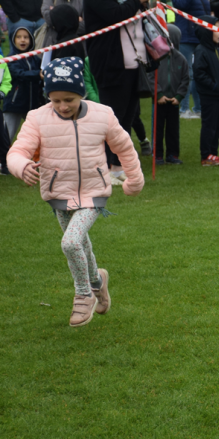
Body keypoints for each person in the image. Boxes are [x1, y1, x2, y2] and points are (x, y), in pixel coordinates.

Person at [6, 57, 144, 326]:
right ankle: (97, 282)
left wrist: (134, 179)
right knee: (79, 243)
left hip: (94, 191)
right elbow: (18, 151)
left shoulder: (102, 114)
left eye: (69, 99)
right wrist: (21, 166)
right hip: (58, 192)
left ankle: (84, 295)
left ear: (81, 92)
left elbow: (124, 147)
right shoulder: (37, 118)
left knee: (70, 242)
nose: (62, 106)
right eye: (56, 100)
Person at [84, 0, 149, 186]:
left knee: (127, 118)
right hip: (111, 67)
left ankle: (118, 166)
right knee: (112, 119)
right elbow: (115, 14)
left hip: (134, 65)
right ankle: (104, 168)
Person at [148, 24, 188, 165]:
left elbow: (185, 79)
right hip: (159, 101)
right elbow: (151, 77)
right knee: (157, 129)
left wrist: (178, 97)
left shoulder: (181, 59)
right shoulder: (155, 57)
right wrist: (158, 94)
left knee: (173, 130)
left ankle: (173, 154)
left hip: (174, 101)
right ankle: (157, 154)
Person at [193, 15, 219, 166]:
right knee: (209, 126)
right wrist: (214, 86)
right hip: (209, 95)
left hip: (217, 96)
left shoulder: (215, 50)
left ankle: (213, 152)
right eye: (217, 29)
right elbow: (199, 74)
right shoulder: (201, 51)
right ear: (207, 31)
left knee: (217, 127)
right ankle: (206, 155)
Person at [173, 0, 211, 119]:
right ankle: (184, 109)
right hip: (186, 36)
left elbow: (207, 12)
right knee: (187, 74)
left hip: (199, 36)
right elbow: (181, 4)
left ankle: (198, 109)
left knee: (199, 74)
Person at [4, 27, 43, 140]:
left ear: (31, 40)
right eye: (19, 37)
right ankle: (3, 157)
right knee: (7, 136)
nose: (22, 40)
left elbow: (42, 71)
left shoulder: (35, 59)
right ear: (13, 39)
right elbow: (20, 74)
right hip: (14, 104)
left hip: (33, 105)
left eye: (26, 37)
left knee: (36, 136)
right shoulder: (11, 59)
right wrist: (38, 74)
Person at [0, 50, 12, 175]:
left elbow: (6, 81)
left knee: (2, 137)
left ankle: (4, 164)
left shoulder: (1, 60)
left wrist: (2, 92)